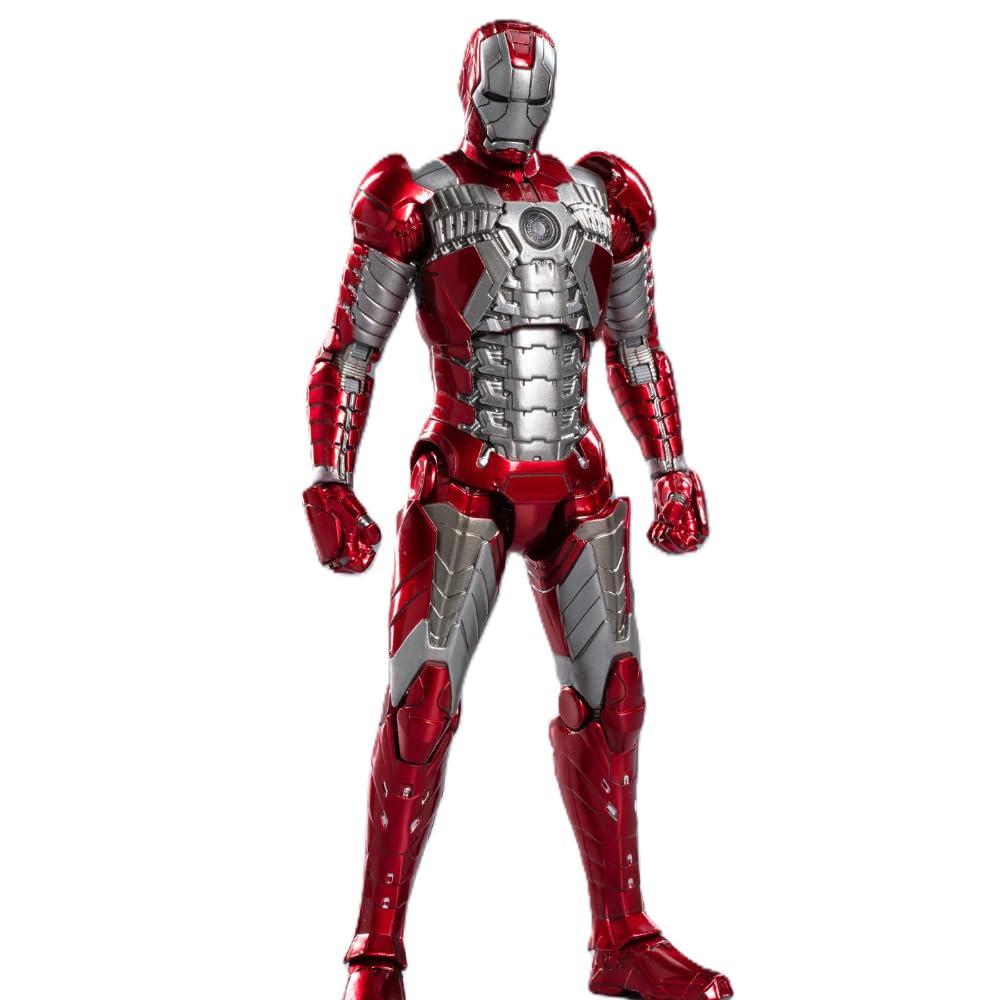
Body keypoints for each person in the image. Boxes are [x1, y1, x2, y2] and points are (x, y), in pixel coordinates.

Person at [303, 20, 730, 1000]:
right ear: (468, 90)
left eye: (531, 101)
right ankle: (375, 954)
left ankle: (622, 938)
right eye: (498, 97)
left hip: (576, 479)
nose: (514, 115)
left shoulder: (602, 199)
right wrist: (330, 479)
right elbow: (350, 351)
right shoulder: (416, 199)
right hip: (464, 478)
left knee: (616, 701)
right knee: (421, 705)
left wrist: (671, 465)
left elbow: (637, 348)